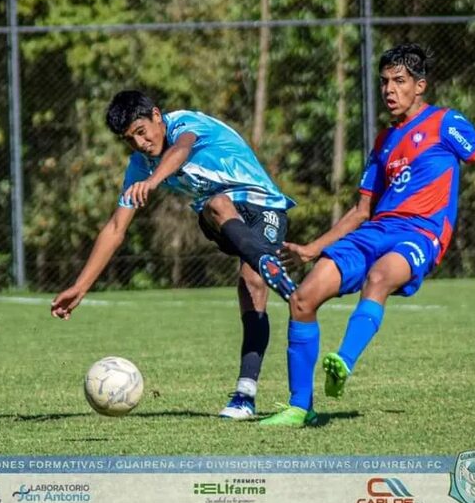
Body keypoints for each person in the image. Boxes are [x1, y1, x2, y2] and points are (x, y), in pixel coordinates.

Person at [260, 43, 475, 427]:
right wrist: (312, 249)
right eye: (385, 82)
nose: (390, 90)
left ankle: (344, 360)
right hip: (375, 231)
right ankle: (299, 406)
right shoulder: (384, 142)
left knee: (379, 278)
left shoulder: (445, 122)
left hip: (421, 233)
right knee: (304, 299)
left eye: (399, 81)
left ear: (419, 85)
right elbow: (361, 209)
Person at [50, 90, 297, 420]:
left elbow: (181, 150)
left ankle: (244, 395)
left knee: (251, 284)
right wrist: (80, 287)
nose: (139, 144)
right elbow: (115, 228)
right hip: (222, 214)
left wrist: (153, 181)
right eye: (129, 140)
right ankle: (265, 260)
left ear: (156, 115)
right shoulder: (140, 166)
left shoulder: (185, 123)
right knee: (214, 203)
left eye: (141, 131)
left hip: (264, 206)